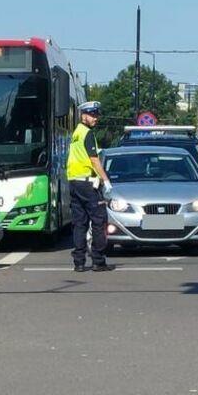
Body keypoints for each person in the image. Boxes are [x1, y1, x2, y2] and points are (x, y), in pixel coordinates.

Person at [67, 101, 114, 273]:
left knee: (79, 223)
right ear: (83, 115)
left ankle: (79, 262)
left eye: (97, 115)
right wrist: (106, 180)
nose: (96, 118)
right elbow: (94, 160)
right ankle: (98, 260)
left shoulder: (76, 133)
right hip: (88, 184)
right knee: (98, 221)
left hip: (74, 182)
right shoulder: (87, 134)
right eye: (92, 115)